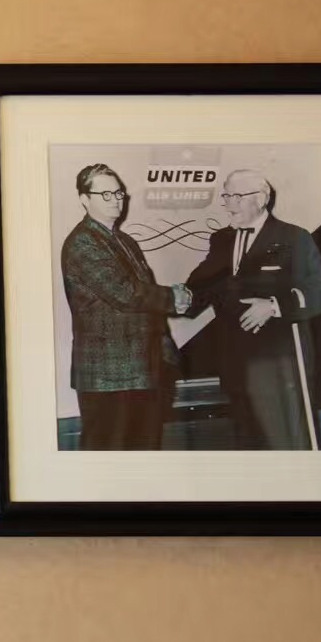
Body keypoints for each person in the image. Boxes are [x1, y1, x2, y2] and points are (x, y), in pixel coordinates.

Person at [185, 169, 321, 449]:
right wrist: (175, 299)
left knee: (287, 440)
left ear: (262, 199)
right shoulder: (222, 239)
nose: (229, 204)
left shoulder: (293, 237)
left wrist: (274, 306)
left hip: (279, 363)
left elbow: (319, 291)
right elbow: (201, 287)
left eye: (237, 197)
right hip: (234, 360)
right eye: (226, 196)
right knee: (249, 441)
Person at [60, 163, 191, 450]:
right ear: (85, 199)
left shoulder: (124, 240)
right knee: (108, 459)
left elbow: (142, 298)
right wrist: (173, 297)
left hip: (141, 371)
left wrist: (166, 357)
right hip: (108, 376)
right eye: (105, 194)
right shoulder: (82, 242)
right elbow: (125, 293)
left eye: (118, 193)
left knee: (142, 455)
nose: (115, 200)